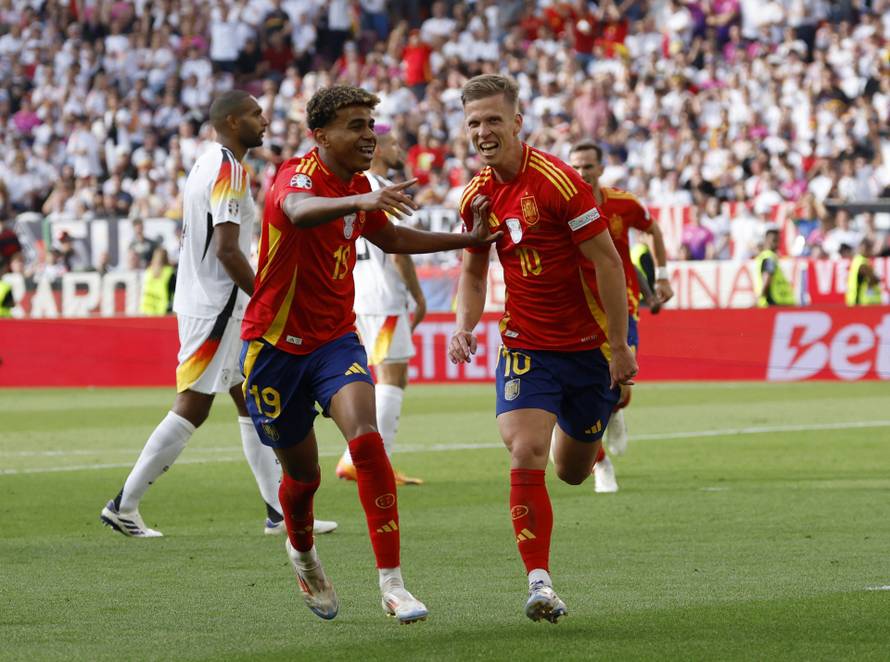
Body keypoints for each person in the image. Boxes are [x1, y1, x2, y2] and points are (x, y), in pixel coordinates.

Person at [239, 85, 498, 624]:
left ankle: (393, 585)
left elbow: (394, 239)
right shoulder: (299, 174)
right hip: (273, 346)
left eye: (369, 124)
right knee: (303, 478)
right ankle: (303, 554)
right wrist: (359, 200)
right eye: (355, 125)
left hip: (335, 341)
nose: (367, 135)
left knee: (366, 438)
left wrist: (466, 241)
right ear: (321, 135)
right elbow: (297, 209)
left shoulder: (360, 185)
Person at [100, 91, 337, 539]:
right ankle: (123, 505)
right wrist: (266, 298)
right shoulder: (229, 169)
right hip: (217, 305)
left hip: (209, 300)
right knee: (193, 404)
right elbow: (228, 249)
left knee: (247, 398)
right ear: (232, 121)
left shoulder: (207, 162)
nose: (264, 120)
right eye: (255, 114)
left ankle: (277, 512)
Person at [449, 75, 637, 623]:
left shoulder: (558, 182)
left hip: (589, 349)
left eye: (492, 120)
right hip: (526, 344)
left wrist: (620, 346)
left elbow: (608, 262)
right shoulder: (475, 196)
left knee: (572, 471)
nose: (483, 132)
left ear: (517, 121)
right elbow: (473, 268)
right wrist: (466, 324)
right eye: (473, 123)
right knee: (524, 450)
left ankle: (595, 422)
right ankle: (539, 583)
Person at [567, 141, 674, 491]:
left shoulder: (623, 204)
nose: (582, 173)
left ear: (600, 168)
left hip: (620, 305)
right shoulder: (560, 204)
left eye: (588, 166)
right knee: (585, 390)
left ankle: (616, 411)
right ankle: (601, 466)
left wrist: (660, 278)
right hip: (576, 308)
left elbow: (651, 231)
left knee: (622, 385)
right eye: (576, 167)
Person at [335, 124, 425, 486]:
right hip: (385, 295)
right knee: (392, 377)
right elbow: (399, 249)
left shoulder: (356, 188)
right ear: (378, 150)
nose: (398, 146)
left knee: (382, 375)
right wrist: (418, 297)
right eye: (391, 142)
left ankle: (357, 458)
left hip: (361, 293)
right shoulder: (381, 189)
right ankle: (370, 461)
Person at [755, 227, 795, 307]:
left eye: (777, 240)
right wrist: (761, 296)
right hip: (773, 302)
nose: (776, 244)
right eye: (774, 240)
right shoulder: (769, 257)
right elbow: (767, 278)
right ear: (766, 240)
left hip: (778, 302)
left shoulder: (768, 256)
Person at [139, 246, 176, 316]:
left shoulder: (148, 272)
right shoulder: (169, 272)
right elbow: (174, 293)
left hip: (147, 310)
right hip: (164, 311)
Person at [846, 238, 882, 305]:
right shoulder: (862, 263)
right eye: (869, 248)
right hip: (860, 302)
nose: (870, 251)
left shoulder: (857, 260)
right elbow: (874, 279)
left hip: (855, 300)